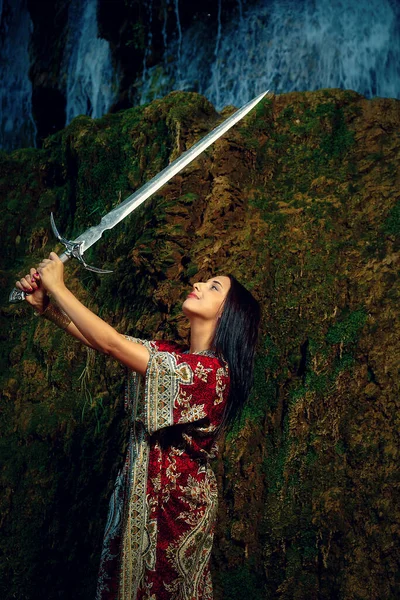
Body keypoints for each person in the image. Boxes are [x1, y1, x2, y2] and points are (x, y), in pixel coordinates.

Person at [16, 252, 261, 600]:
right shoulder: (172, 357)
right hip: (140, 499)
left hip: (174, 512)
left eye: (213, 286)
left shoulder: (211, 374)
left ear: (228, 312)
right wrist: (47, 307)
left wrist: (57, 286)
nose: (199, 284)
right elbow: (107, 341)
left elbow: (112, 344)